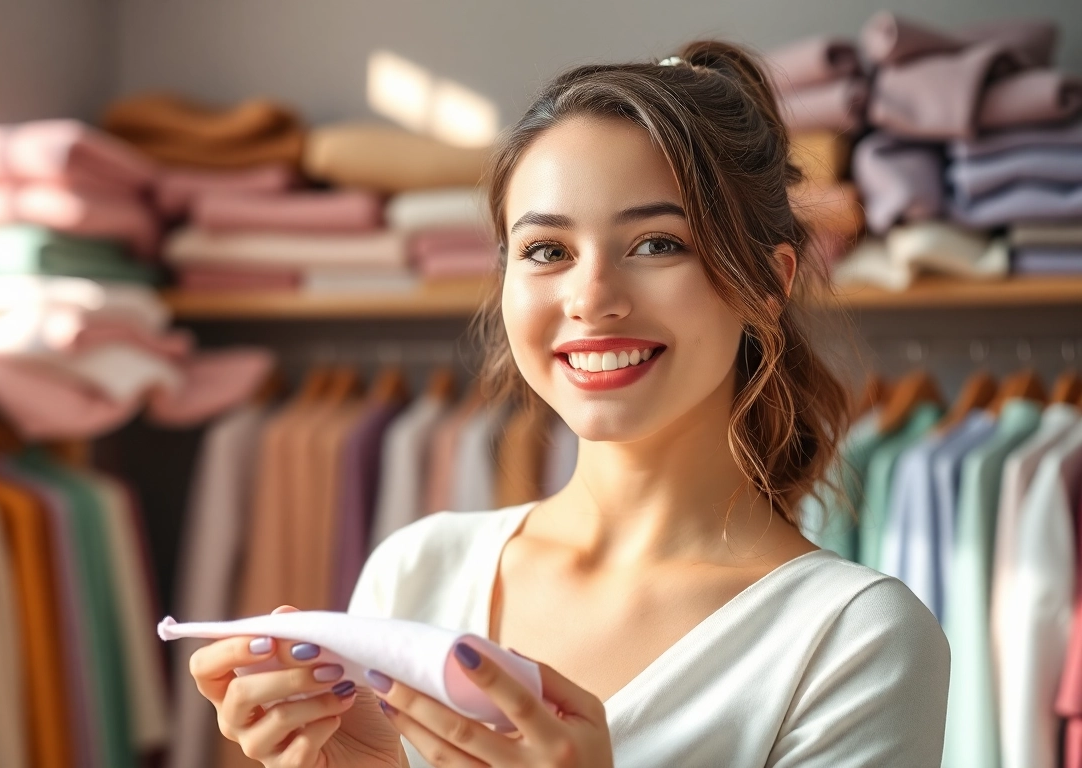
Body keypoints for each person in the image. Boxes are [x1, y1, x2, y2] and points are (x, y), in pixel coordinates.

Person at [188, 40, 950, 767]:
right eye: (547, 251)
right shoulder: (416, 570)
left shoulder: (853, 638)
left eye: (657, 244)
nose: (591, 299)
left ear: (770, 282)